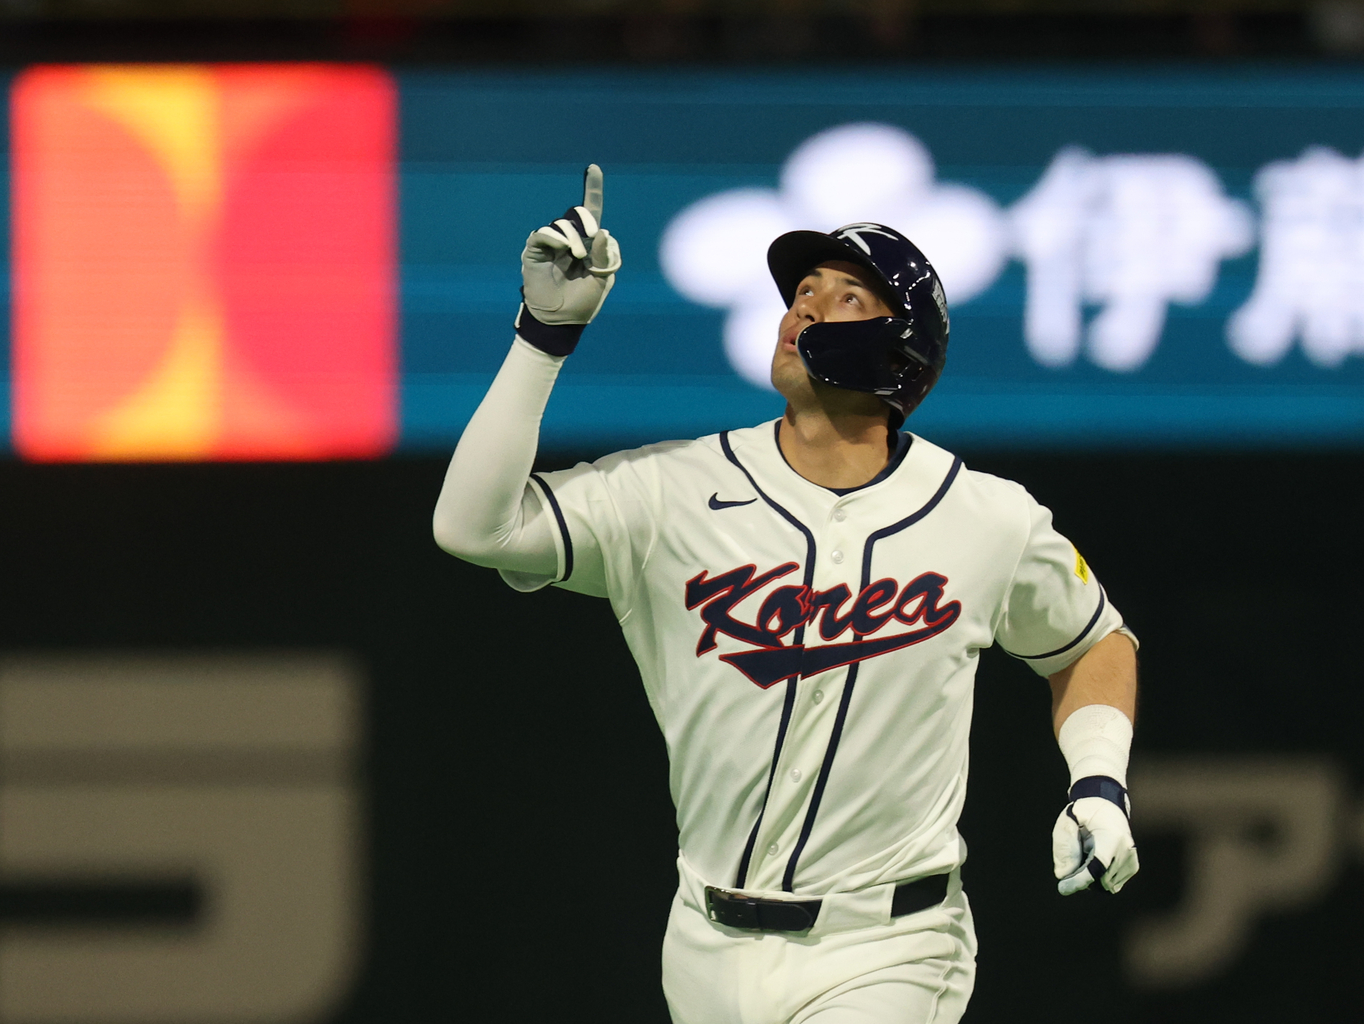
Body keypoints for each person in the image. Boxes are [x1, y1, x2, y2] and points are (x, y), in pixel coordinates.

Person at [433, 166, 1139, 1024]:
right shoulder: (673, 492)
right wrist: (544, 336)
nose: (804, 306)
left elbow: (1094, 642)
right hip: (703, 938)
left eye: (844, 297)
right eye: (802, 290)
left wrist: (1098, 783)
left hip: (891, 947)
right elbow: (473, 526)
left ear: (900, 346)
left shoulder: (986, 518)